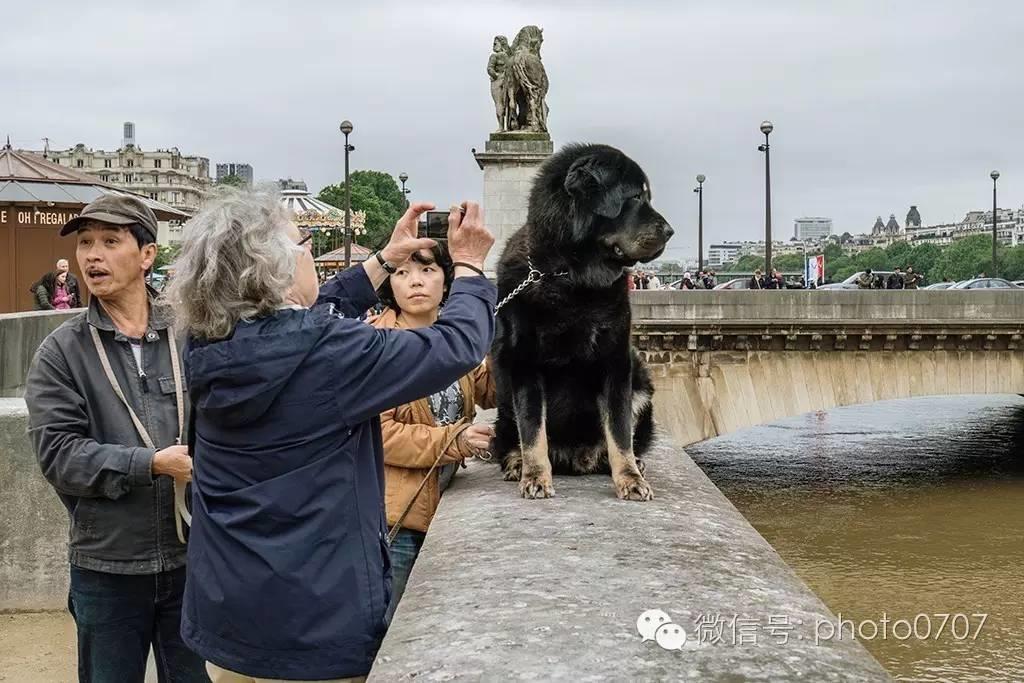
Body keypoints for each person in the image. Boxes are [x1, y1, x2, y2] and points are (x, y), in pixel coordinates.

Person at [165, 190, 495, 683]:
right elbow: (454, 347)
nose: (311, 255)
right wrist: (467, 267)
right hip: (315, 627)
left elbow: (302, 315)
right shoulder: (334, 356)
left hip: (228, 617)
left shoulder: (205, 339)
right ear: (277, 265)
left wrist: (383, 261)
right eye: (304, 244)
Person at [24, 195, 208, 682]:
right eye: (85, 243)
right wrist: (151, 463)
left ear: (147, 255)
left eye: (110, 241)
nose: (91, 255)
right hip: (107, 566)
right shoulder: (61, 351)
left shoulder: (191, 333)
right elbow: (58, 454)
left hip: (194, 559)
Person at [370, 244, 497, 621]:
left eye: (427, 272)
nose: (415, 283)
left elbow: (492, 389)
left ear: (447, 280)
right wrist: (453, 441)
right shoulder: (377, 343)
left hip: (441, 506)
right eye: (402, 273)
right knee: (391, 629)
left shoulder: (452, 340)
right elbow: (379, 434)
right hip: (396, 519)